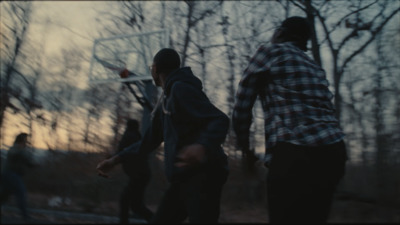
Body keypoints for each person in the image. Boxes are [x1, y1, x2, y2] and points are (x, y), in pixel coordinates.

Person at [232, 16, 347, 224]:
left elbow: (242, 102)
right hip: (334, 152)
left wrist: (244, 147)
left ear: (281, 33)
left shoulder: (269, 52)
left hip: (295, 154)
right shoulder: (315, 67)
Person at [97, 48, 230, 224]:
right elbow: (147, 142)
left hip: (203, 176)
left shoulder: (180, 89)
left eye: (152, 67)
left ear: (156, 69)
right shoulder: (167, 100)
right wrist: (115, 160)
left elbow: (220, 120)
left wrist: (201, 146)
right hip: (184, 178)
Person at [116, 119, 153, 223]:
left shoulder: (129, 136)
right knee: (136, 206)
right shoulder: (137, 136)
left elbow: (122, 152)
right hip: (142, 174)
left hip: (138, 175)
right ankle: (156, 220)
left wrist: (112, 160)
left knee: (125, 200)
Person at [0, 133, 36, 222]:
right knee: (21, 192)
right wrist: (23, 153)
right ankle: (25, 217)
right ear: (20, 141)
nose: (25, 143)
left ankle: (25, 216)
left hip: (9, 175)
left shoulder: (22, 150)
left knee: (4, 196)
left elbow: (28, 162)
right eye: (24, 141)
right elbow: (15, 154)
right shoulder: (15, 148)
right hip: (11, 175)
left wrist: (33, 164)